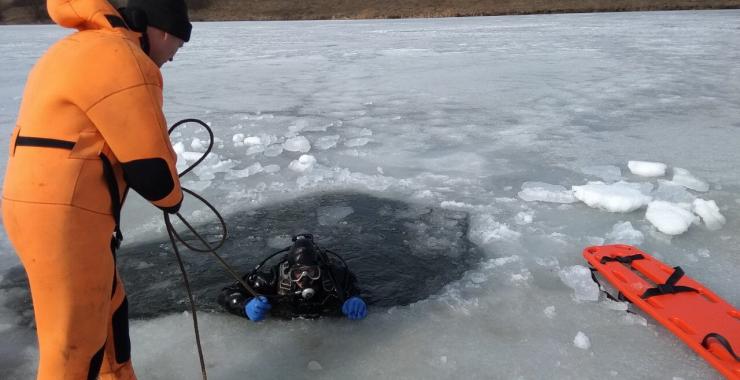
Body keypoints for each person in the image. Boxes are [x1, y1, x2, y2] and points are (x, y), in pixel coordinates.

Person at [1, 0, 191, 379]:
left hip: (34, 202)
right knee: (74, 346)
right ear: (166, 31)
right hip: (65, 214)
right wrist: (173, 198)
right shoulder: (125, 58)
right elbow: (151, 170)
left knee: (107, 308)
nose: (172, 58)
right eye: (178, 47)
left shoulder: (76, 46)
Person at [218, 234, 368, 321]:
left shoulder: (336, 276)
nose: (305, 278)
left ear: (320, 269)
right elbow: (227, 293)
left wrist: (357, 299)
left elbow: (361, 290)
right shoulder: (273, 278)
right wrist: (244, 306)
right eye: (298, 273)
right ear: (289, 271)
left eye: (312, 271)